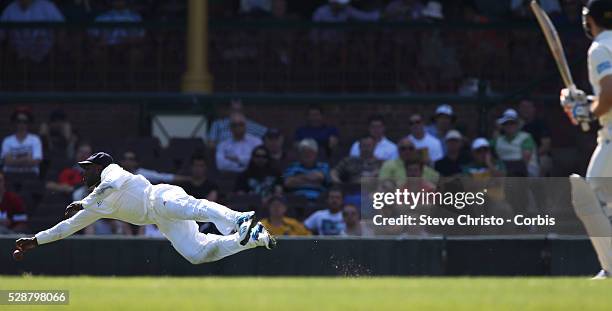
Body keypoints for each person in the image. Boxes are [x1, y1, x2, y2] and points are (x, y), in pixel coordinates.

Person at [14, 152, 276, 265]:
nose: (84, 174)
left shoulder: (112, 171)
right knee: (196, 254)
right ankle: (250, 240)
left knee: (193, 208)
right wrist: (38, 240)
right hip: (159, 219)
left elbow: (111, 184)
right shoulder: (96, 204)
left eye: (88, 168)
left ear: (100, 167)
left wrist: (84, 202)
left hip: (160, 196)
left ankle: (240, 218)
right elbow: (68, 227)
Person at [559, 0, 612, 279]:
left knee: (588, 196)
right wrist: (588, 103)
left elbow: (610, 93)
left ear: (589, 21)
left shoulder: (600, 47)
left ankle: (611, 269)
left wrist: (589, 113)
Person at [0, 0, 65, 62]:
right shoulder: (10, 9)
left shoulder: (47, 6)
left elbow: (62, 29)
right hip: (18, 59)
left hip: (45, 59)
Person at [491, 108, 539, 177]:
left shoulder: (526, 137)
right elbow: (488, 154)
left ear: (517, 124)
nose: (509, 125)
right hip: (503, 173)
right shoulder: (498, 140)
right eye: (506, 123)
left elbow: (525, 162)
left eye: (512, 123)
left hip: (525, 173)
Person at [1, 107, 43, 175]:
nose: (21, 124)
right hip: (10, 176)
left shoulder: (35, 140)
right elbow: (6, 162)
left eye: (25, 122)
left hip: (30, 176)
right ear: (15, 123)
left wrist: (13, 160)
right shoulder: (7, 141)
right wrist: (26, 159)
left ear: (28, 123)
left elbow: (36, 161)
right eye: (19, 121)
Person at [518, 99, 553, 176]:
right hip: (517, 156)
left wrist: (532, 155)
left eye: (528, 107)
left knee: (544, 161)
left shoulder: (540, 124)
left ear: (534, 109)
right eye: (523, 107)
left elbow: (546, 146)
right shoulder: (513, 125)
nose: (525, 110)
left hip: (537, 155)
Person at [120, 150, 189, 185]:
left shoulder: (141, 173)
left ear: (136, 162)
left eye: (131, 159)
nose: (127, 161)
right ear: (121, 161)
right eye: (125, 159)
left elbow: (164, 177)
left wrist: (189, 179)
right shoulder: (116, 174)